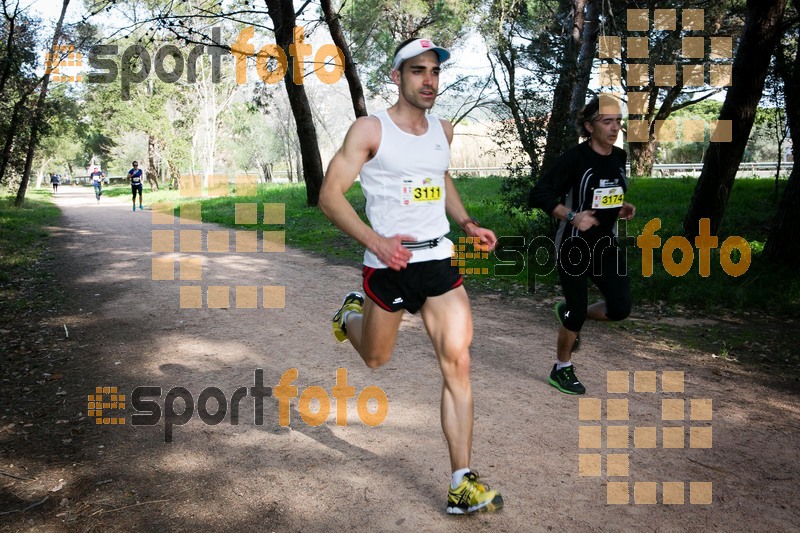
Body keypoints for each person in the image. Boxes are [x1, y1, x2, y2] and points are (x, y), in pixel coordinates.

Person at [319, 37, 503, 515]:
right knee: (376, 360)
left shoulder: (443, 128)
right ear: (397, 77)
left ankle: (461, 480)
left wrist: (466, 223)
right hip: (390, 266)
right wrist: (375, 241)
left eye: (435, 72)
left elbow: (439, 177)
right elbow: (330, 195)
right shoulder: (369, 130)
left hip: (438, 261)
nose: (429, 80)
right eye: (418, 71)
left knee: (458, 362)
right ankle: (350, 315)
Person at [528, 95, 636, 395]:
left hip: (605, 244)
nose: (614, 128)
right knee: (576, 311)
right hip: (574, 245)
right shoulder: (574, 159)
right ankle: (561, 368)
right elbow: (539, 195)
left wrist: (620, 205)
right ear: (589, 126)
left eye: (618, 122)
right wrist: (572, 216)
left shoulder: (619, 157)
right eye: (606, 122)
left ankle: (570, 313)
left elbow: (603, 192)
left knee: (620, 308)